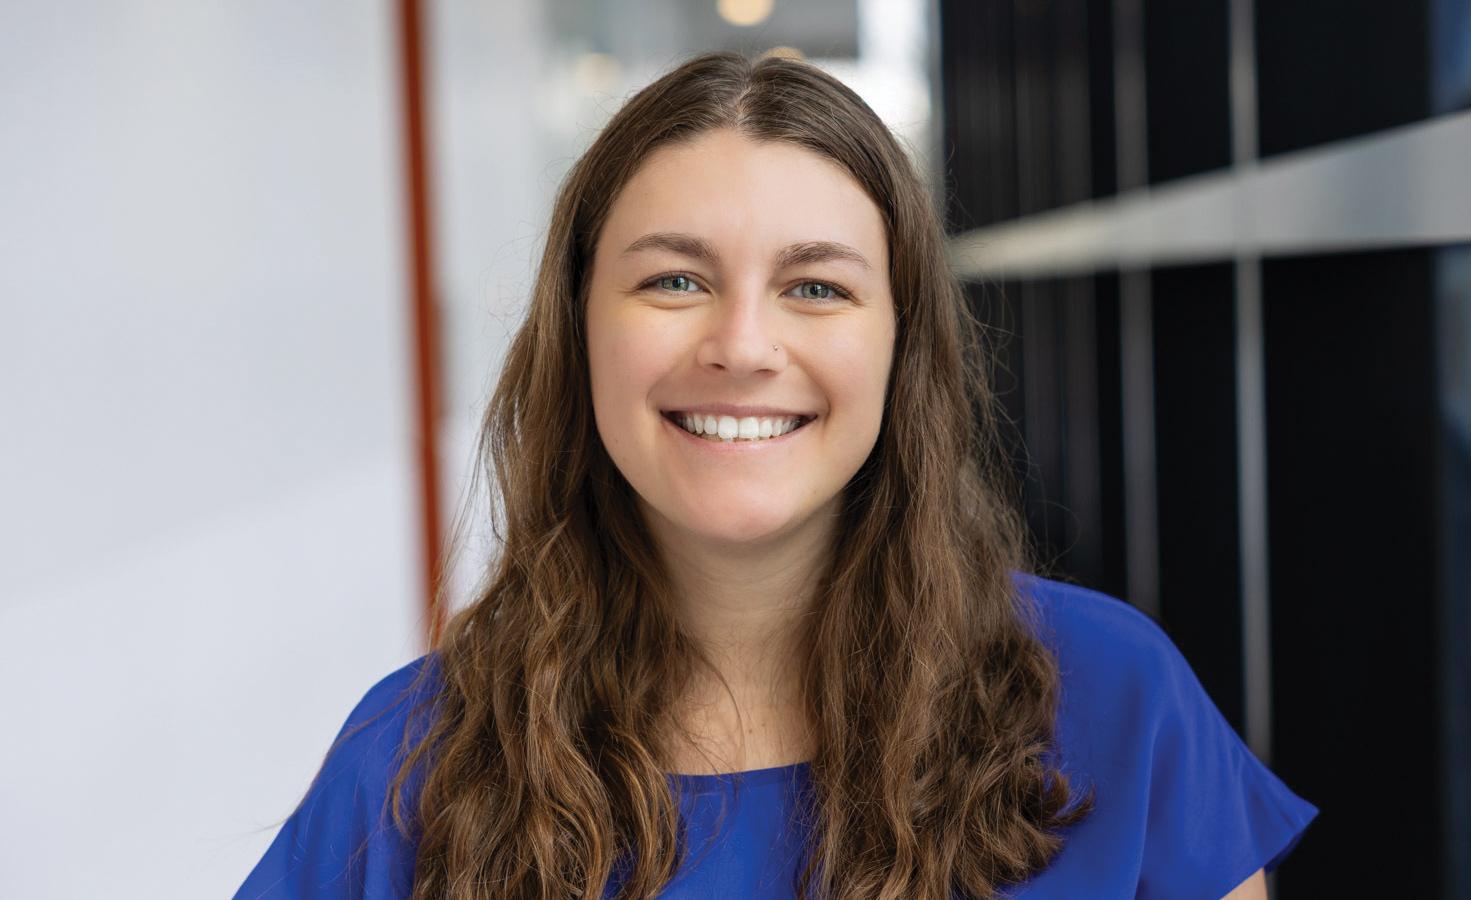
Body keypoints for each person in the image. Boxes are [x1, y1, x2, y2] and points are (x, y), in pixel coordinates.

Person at [237, 50, 1316, 899]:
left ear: (903, 349)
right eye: (673, 279)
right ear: (577, 332)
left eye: (815, 289)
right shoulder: (418, 761)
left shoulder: (1114, 700)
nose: (742, 345)